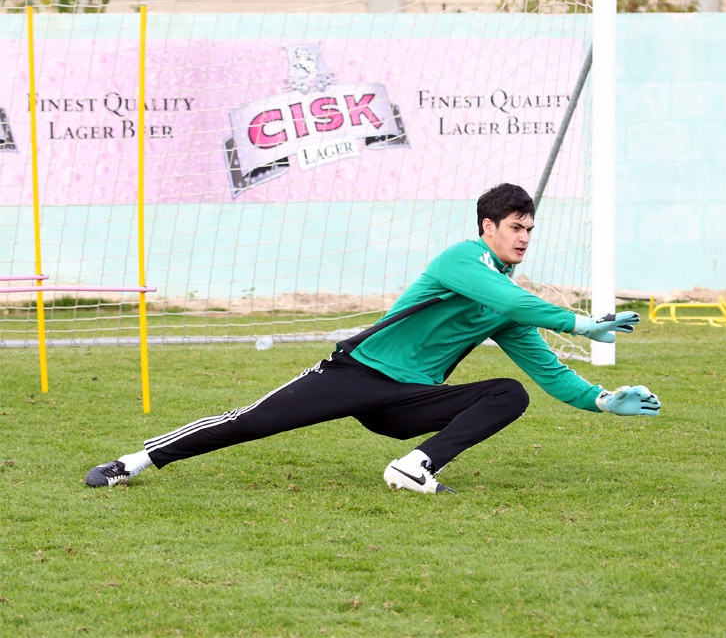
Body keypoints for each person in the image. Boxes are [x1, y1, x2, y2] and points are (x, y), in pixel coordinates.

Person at [84, 183, 661, 494]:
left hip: (407, 401)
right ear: (488, 227)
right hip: (357, 374)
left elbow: (547, 368)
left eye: (530, 229)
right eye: (516, 227)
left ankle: (414, 467)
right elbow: (512, 299)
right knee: (251, 422)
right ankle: (132, 462)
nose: (525, 238)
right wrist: (581, 323)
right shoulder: (462, 259)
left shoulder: (506, 299)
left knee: (509, 393)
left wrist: (602, 399)